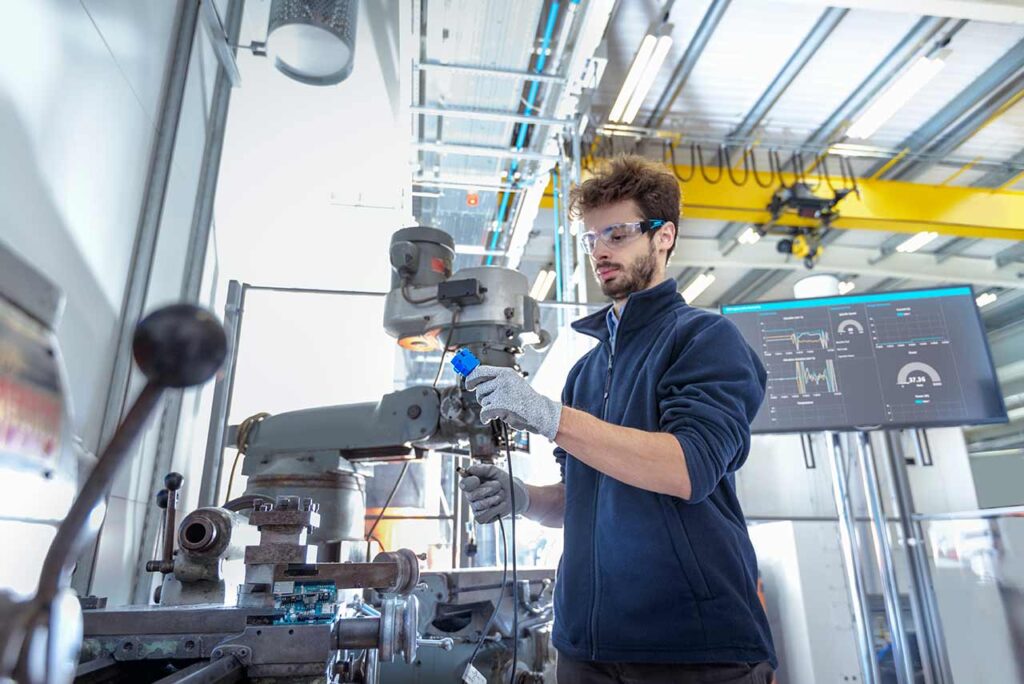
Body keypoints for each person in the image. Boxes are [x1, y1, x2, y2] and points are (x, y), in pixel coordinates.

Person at [459, 155, 777, 684]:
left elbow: (687, 469)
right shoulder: (585, 371)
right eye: (591, 238)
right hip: (585, 645)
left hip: (692, 649)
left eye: (619, 232)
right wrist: (524, 499)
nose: (601, 249)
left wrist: (546, 415)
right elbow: (585, 496)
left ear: (663, 236)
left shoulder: (704, 339)